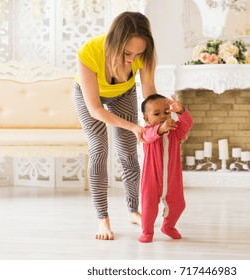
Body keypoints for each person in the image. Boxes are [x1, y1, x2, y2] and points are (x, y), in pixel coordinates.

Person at [73, 11, 158, 240]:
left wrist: (157, 121)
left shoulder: (144, 54)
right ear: (114, 42)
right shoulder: (89, 51)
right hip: (90, 98)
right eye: (127, 53)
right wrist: (132, 126)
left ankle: (133, 210)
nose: (133, 59)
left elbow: (148, 91)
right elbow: (95, 110)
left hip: (122, 94)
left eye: (138, 53)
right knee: (99, 150)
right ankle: (103, 219)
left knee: (129, 153)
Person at [138, 94, 193, 243]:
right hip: (151, 179)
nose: (163, 116)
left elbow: (188, 123)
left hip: (172, 178)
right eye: (156, 114)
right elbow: (150, 136)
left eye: (166, 112)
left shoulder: (175, 131)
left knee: (179, 204)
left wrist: (180, 110)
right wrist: (160, 129)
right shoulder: (146, 132)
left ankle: (168, 226)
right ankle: (147, 231)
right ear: (146, 118)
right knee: (149, 207)